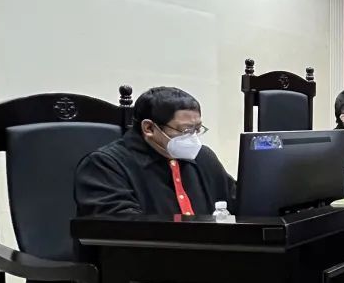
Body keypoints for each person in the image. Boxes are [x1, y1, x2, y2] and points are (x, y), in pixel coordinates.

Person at [75, 87, 234, 217]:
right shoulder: (104, 165)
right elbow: (121, 226)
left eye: (197, 129)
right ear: (149, 128)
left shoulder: (203, 157)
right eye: (185, 130)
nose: (192, 137)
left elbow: (238, 203)